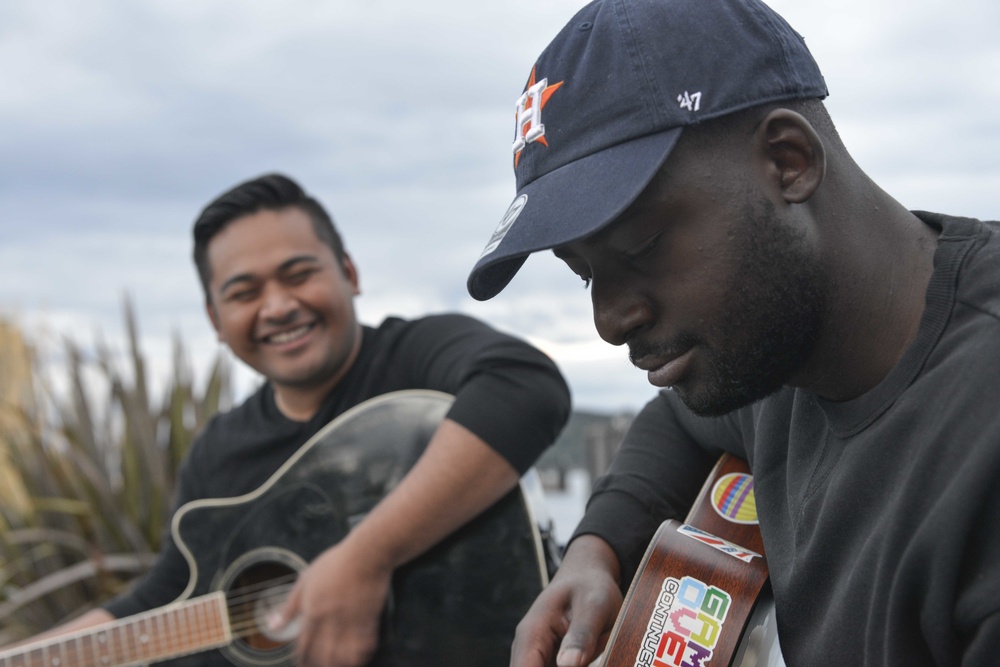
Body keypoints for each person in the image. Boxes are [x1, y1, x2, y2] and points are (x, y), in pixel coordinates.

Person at [466, 0, 1000, 665]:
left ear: (788, 160)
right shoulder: (771, 351)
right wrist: (594, 550)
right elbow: (677, 423)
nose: (608, 320)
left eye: (642, 245)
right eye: (584, 273)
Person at [26, 173, 571, 667]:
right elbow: (164, 600)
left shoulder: (416, 357)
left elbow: (526, 387)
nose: (278, 306)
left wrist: (365, 561)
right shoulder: (220, 452)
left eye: (298, 274)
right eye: (244, 293)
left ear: (349, 273)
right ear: (216, 320)